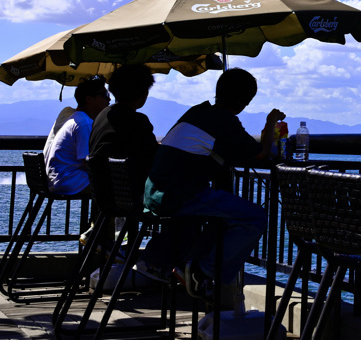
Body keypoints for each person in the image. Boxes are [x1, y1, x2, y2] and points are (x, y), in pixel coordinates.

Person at [144, 68, 284, 299]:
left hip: (156, 192)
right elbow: (260, 153)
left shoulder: (198, 112)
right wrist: (271, 123)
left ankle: (191, 265)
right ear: (244, 101)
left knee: (224, 216)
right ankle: (202, 271)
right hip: (179, 195)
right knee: (254, 217)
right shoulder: (222, 120)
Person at [89, 64, 159, 197]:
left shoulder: (103, 116)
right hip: (130, 196)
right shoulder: (137, 121)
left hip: (103, 194)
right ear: (144, 93)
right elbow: (152, 159)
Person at [43, 77, 110, 195]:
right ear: (89, 99)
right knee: (120, 189)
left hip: (59, 181)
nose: (109, 99)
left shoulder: (76, 118)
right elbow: (87, 162)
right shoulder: (84, 123)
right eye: (105, 94)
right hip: (70, 182)